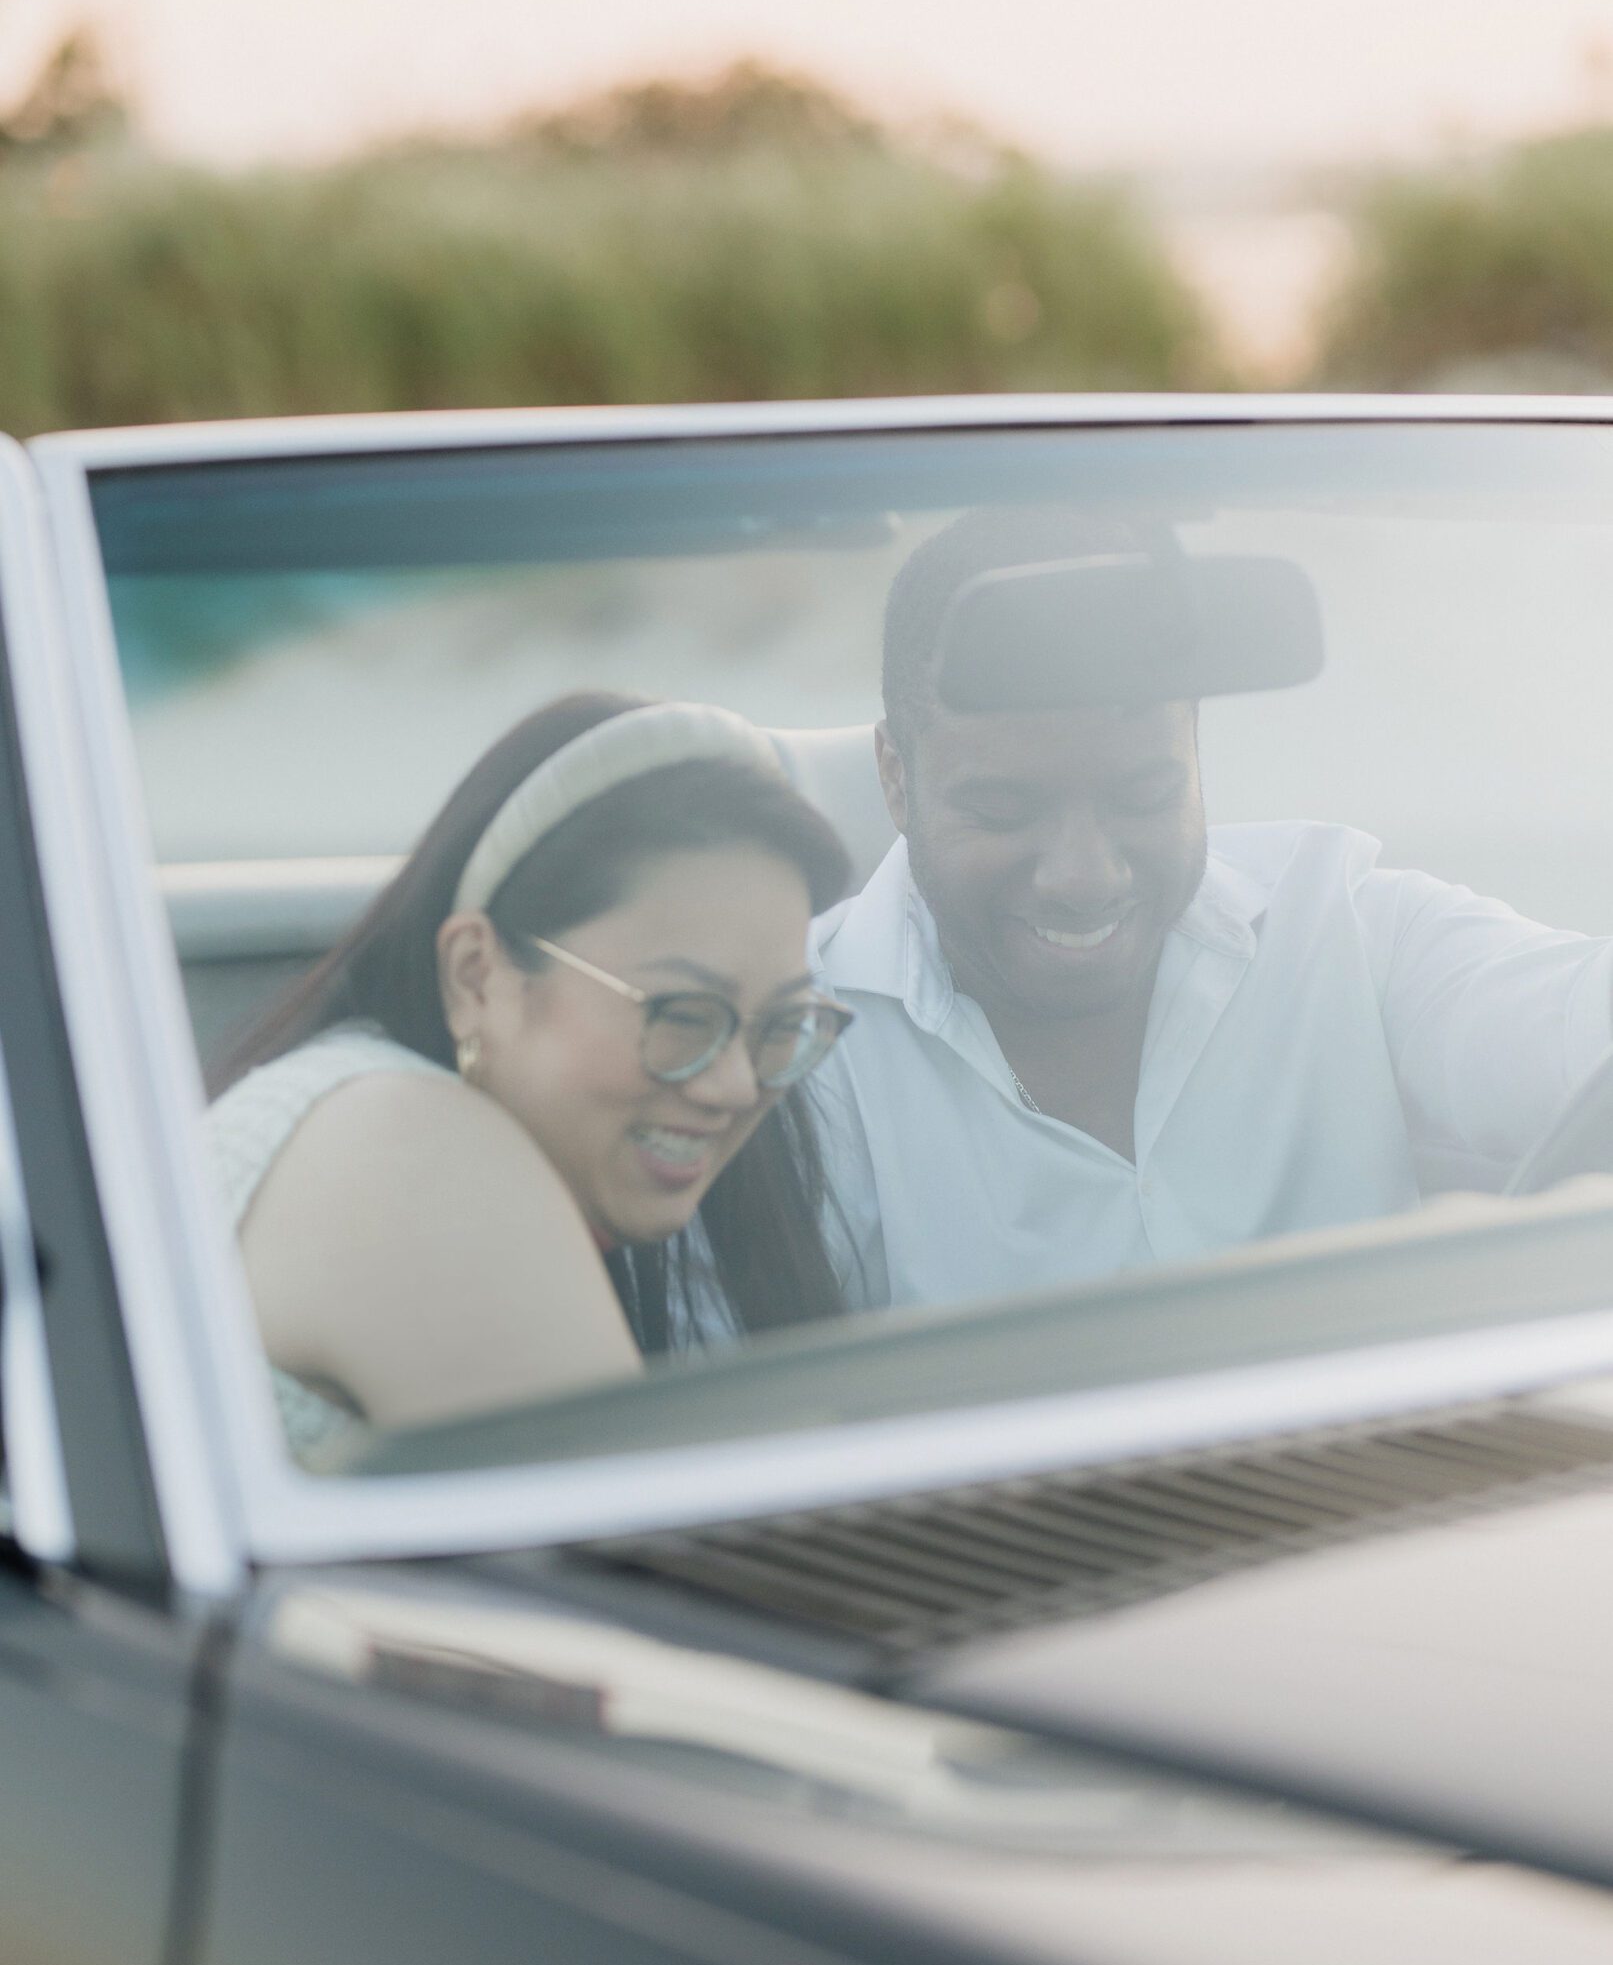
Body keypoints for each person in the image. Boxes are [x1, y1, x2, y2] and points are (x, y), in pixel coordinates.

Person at [810, 507, 1613, 1313]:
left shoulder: (1345, 928)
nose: (1082, 876)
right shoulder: (783, 1054)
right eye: (1003, 810)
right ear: (893, 776)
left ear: (1195, 751)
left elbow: (1573, 1020)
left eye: (1144, 795)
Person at [209, 692, 854, 1458]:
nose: (736, 1088)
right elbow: (644, 1563)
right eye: (681, 1015)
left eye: (781, 1026)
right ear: (477, 975)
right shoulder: (410, 1150)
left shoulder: (369, 1108)